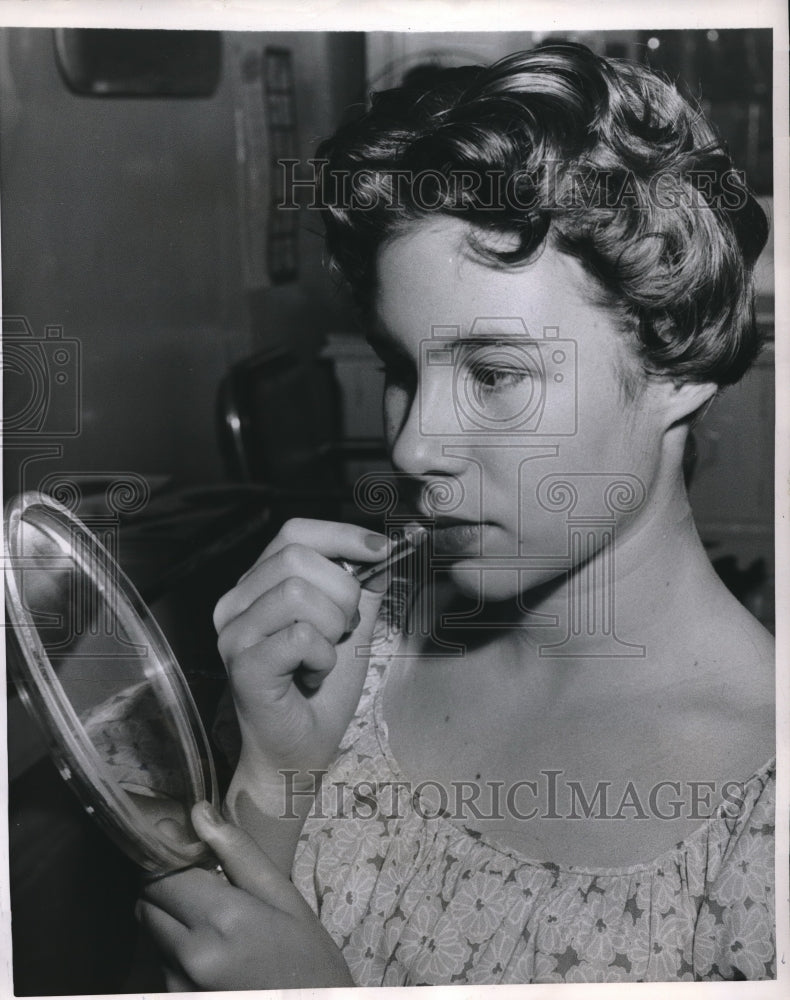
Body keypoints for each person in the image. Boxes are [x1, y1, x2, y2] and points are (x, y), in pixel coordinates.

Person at [137, 43, 775, 986]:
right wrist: (275, 775)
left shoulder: (761, 816)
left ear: (675, 366)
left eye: (493, 373)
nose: (411, 446)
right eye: (403, 370)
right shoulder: (359, 653)